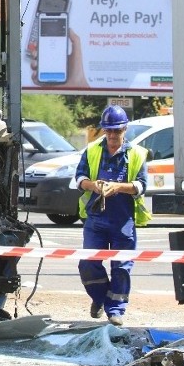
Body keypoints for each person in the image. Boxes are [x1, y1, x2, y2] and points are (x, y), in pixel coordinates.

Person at [74, 105, 149, 326]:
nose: (113, 136)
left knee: (122, 267)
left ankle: (115, 310)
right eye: (109, 131)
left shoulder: (136, 154)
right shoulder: (92, 150)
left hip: (123, 220)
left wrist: (118, 187)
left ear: (125, 129)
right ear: (104, 130)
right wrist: (94, 185)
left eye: (117, 131)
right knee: (88, 263)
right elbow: (79, 179)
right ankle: (100, 297)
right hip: (96, 218)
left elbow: (142, 186)